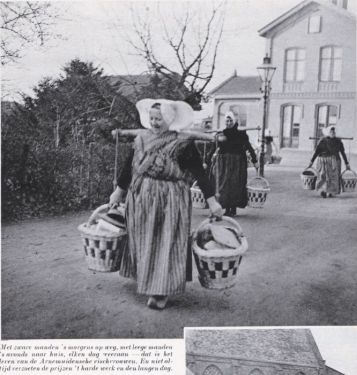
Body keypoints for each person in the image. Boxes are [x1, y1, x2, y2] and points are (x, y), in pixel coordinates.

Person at [109, 99, 223, 310]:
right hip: (141, 196)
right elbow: (129, 168)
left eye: (159, 118)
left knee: (166, 242)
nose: (154, 122)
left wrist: (212, 201)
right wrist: (118, 191)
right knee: (143, 239)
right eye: (152, 118)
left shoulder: (182, 143)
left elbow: (199, 172)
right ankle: (147, 279)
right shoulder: (142, 139)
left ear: (169, 119)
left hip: (170, 200)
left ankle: (160, 291)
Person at [210, 111, 258, 217]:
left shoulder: (241, 134)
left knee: (235, 185)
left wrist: (255, 161)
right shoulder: (221, 134)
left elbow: (249, 147)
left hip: (238, 163)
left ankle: (233, 208)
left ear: (234, 121)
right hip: (223, 163)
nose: (228, 122)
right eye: (227, 120)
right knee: (224, 185)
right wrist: (206, 161)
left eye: (230, 120)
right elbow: (213, 148)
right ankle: (227, 208)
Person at [307, 126, 351, 198]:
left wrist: (347, 163)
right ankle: (324, 191)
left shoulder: (338, 141)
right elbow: (316, 152)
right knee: (324, 176)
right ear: (328, 133)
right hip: (324, 161)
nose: (333, 133)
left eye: (334, 132)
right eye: (331, 132)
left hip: (335, 161)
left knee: (334, 177)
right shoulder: (323, 141)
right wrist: (311, 162)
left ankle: (331, 192)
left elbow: (343, 152)